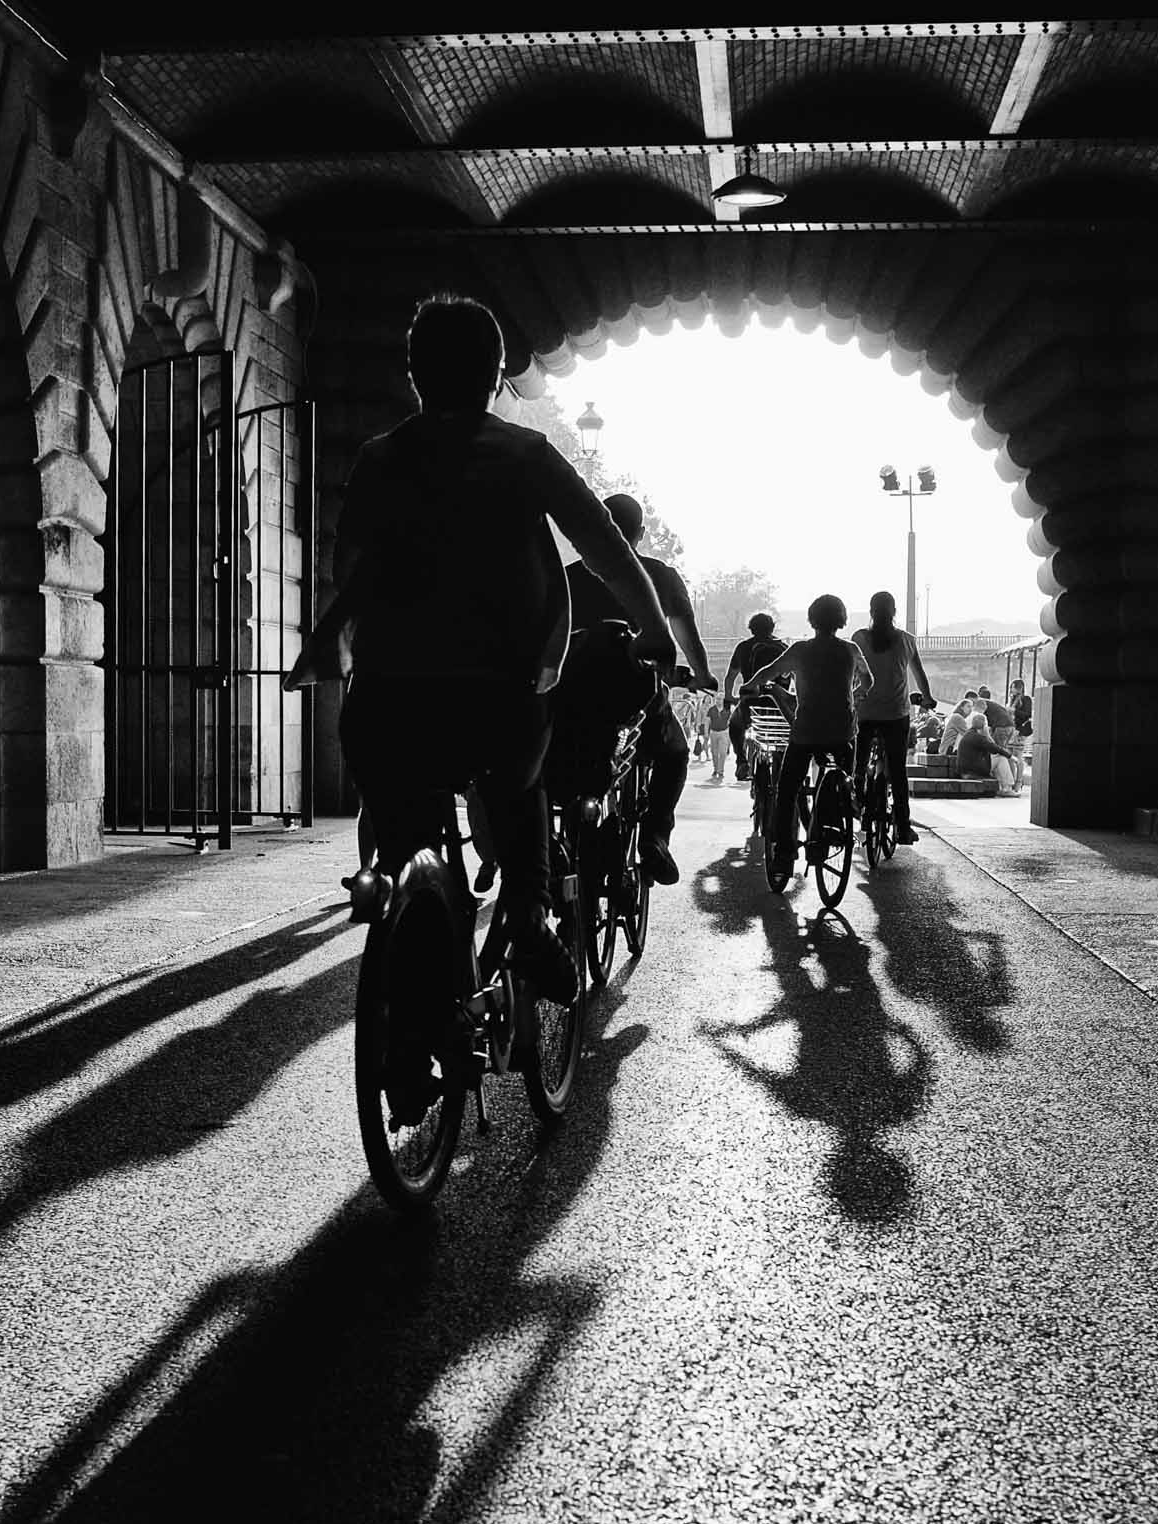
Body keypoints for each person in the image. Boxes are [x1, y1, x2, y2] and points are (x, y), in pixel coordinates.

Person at [286, 296, 674, 1016]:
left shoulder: (379, 457)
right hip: (497, 694)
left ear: (413, 376)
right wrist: (657, 631)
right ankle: (526, 918)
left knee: (404, 837)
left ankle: (412, 958)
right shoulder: (526, 454)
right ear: (497, 375)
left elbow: (348, 570)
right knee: (518, 788)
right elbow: (607, 551)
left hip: (387, 700)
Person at [566, 490, 716, 885]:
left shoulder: (568, 576)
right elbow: (687, 637)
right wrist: (701, 675)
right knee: (675, 755)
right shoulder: (660, 575)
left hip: (573, 697)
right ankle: (655, 837)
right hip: (635, 695)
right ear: (641, 533)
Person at [740, 594, 870, 874]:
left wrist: (750, 684)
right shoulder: (850, 650)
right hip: (842, 731)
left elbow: (769, 671)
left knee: (787, 790)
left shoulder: (800, 650)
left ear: (812, 620)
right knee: (845, 772)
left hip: (807, 731)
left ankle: (786, 852)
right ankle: (842, 806)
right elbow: (868, 679)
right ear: (841, 620)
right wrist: (858, 693)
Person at [850, 591, 934, 847]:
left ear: (871, 611)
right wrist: (928, 699)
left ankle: (858, 798)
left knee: (859, 761)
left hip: (864, 712)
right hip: (896, 714)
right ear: (894, 611)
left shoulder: (859, 638)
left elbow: (851, 671)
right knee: (897, 771)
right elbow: (919, 674)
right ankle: (903, 827)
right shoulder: (907, 640)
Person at [723, 612, 789, 781]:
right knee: (782, 737)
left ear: (751, 629)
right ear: (772, 627)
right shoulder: (783, 648)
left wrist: (729, 698)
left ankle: (741, 760)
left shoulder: (743, 647)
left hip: (751, 703)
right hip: (779, 705)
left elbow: (730, 677)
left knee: (735, 725)